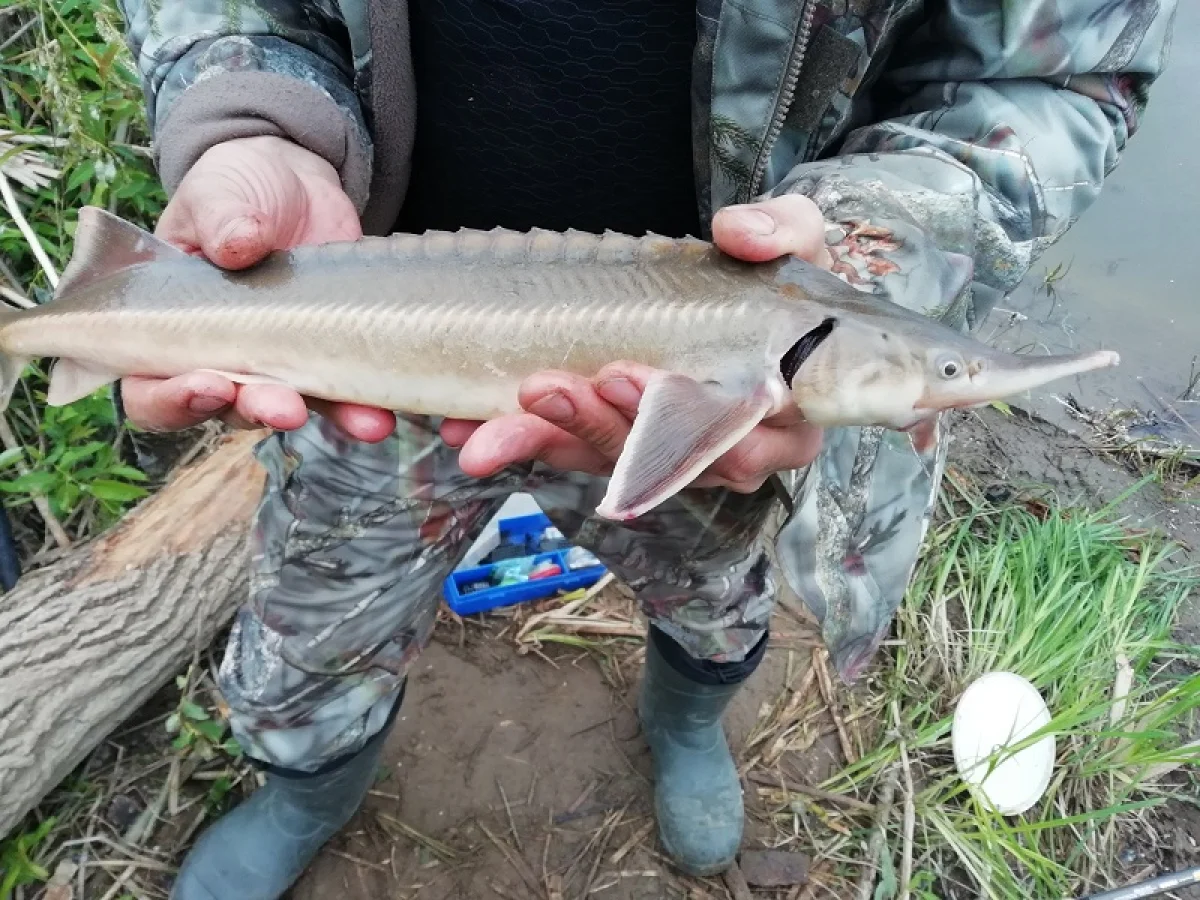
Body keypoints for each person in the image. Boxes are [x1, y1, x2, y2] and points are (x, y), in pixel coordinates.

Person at [111, 1, 1175, 897]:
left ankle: (685, 721)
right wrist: (253, 119)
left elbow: (1063, 74)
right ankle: (309, 790)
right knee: (314, 624)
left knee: (717, 600)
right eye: (948, 379)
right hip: (363, 332)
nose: (959, 387)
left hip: (733, 387)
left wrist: (873, 230)